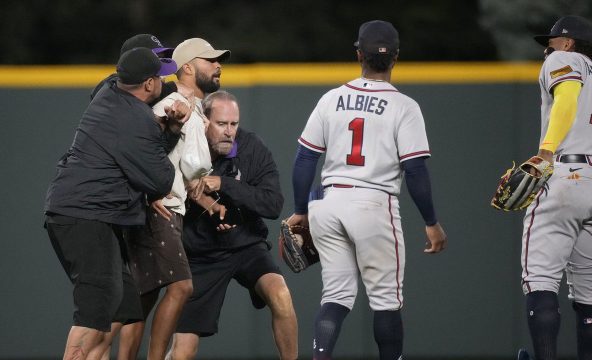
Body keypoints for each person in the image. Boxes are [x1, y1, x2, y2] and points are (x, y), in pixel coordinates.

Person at [286, 20, 447, 360]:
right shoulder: (404, 106)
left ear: (359, 54)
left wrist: (301, 210)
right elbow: (415, 169)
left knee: (336, 296)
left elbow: (304, 159)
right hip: (374, 204)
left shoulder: (332, 98)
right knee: (386, 301)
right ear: (396, 58)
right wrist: (431, 221)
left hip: (329, 204)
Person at [44, 47, 191, 360]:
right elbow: (160, 180)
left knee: (122, 308)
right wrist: (174, 126)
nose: (163, 83)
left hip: (80, 212)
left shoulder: (107, 90)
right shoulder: (137, 121)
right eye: (158, 79)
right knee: (94, 315)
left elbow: (155, 92)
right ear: (148, 84)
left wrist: (170, 101)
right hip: (84, 217)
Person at [516, 15, 592, 360]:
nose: (547, 48)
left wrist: (545, 152)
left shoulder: (563, 60)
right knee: (589, 291)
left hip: (570, 171)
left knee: (540, 278)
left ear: (568, 43)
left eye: (551, 41)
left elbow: (568, 96)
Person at [117, 37, 231, 360]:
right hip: (160, 210)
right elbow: (188, 164)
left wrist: (210, 202)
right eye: (210, 60)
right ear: (188, 68)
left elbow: (186, 170)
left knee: (143, 297)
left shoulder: (189, 108)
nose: (218, 65)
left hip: (163, 209)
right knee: (181, 287)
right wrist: (147, 190)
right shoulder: (173, 105)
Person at [165, 91, 298, 360]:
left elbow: (273, 205)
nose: (229, 132)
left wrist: (225, 184)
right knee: (183, 350)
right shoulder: (185, 146)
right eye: (221, 124)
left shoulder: (251, 148)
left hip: (246, 245)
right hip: (201, 255)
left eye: (234, 124)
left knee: (280, 295)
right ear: (205, 121)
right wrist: (209, 210)